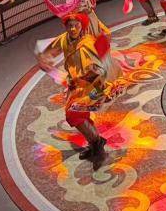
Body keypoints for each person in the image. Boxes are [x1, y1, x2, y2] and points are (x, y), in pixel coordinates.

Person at [35, 13, 121, 161]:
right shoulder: (65, 38)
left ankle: (97, 143)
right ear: (65, 27)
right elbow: (50, 51)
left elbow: (98, 71)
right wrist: (45, 60)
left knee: (73, 114)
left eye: (76, 25)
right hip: (77, 85)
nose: (73, 29)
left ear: (82, 26)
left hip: (95, 85)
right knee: (79, 115)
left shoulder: (87, 44)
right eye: (70, 26)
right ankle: (95, 143)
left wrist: (79, 81)